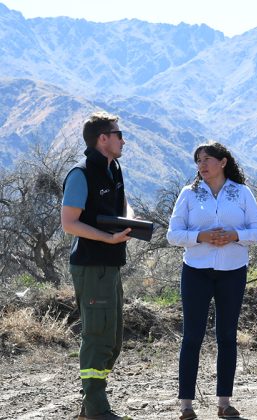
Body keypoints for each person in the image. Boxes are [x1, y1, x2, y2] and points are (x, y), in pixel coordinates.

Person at [166, 142, 257, 420]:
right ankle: (186, 404)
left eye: (207, 159)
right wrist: (201, 237)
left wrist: (235, 235)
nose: (201, 165)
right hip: (196, 270)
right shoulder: (189, 193)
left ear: (223, 162)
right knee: (192, 337)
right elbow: (173, 234)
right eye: (198, 160)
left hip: (233, 271)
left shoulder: (242, 192)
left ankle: (224, 402)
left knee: (227, 336)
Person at [61, 112, 134, 420]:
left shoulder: (112, 168)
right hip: (92, 266)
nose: (122, 139)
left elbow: (121, 205)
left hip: (110, 264)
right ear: (103, 139)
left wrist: (130, 221)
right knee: (97, 336)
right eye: (118, 134)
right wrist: (107, 238)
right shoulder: (81, 173)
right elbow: (69, 224)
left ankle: (90, 406)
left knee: (112, 340)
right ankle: (97, 410)